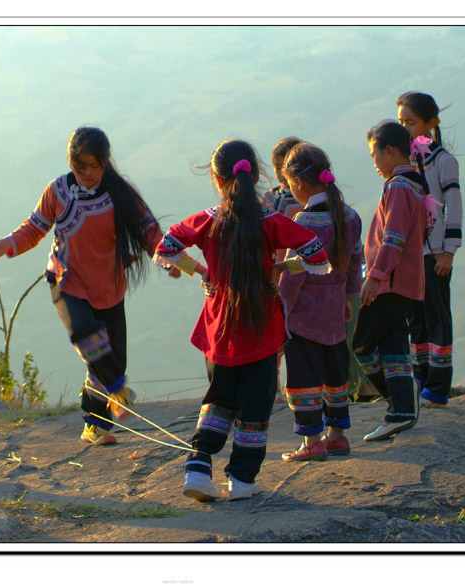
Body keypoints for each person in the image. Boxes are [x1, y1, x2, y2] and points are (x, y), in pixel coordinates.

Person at [153, 139, 330, 501]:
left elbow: (167, 247)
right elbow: (316, 252)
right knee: (255, 405)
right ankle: (242, 480)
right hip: (262, 328)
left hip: (220, 327)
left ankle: (198, 467)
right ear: (257, 175)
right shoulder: (272, 221)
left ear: (218, 181)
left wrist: (201, 271)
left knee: (218, 398)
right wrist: (284, 265)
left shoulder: (207, 220)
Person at [0, 126, 179, 446]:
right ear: (70, 163)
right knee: (89, 338)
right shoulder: (58, 191)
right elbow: (35, 227)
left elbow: (148, 230)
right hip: (67, 280)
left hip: (109, 286)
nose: (87, 174)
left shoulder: (120, 193)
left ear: (105, 162)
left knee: (109, 355)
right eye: (80, 167)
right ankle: (117, 388)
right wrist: (8, 243)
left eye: (94, 166)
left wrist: (166, 258)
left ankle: (95, 425)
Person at [277, 142, 363, 461]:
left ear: (298, 183)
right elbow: (356, 260)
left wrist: (280, 311)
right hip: (335, 307)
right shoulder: (350, 216)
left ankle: (311, 441)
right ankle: (337, 436)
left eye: (288, 184)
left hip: (304, 313)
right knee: (335, 371)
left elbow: (294, 274)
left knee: (304, 377)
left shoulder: (303, 223)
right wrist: (350, 297)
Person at [352, 120, 428, 441]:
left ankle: (400, 401)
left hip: (390, 281)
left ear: (390, 151)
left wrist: (376, 276)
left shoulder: (398, 187)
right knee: (393, 343)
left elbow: (393, 237)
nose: (374, 163)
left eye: (374, 155)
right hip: (405, 280)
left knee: (363, 344)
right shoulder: (416, 184)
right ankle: (400, 408)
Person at [397, 91, 463, 408]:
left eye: (411, 121)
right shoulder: (405, 162)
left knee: (437, 317)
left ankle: (437, 387)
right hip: (411, 255)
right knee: (416, 319)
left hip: (435, 254)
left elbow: (454, 206)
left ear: (431, 122)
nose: (406, 127)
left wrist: (448, 250)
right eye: (402, 122)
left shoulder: (444, 161)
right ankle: (420, 378)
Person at [261, 136, 304, 400]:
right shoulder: (269, 198)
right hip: (273, 272)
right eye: (275, 166)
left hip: (299, 272)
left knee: (298, 330)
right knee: (273, 329)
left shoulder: (306, 199)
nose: (279, 173)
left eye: (284, 166)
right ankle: (272, 386)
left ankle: (301, 386)